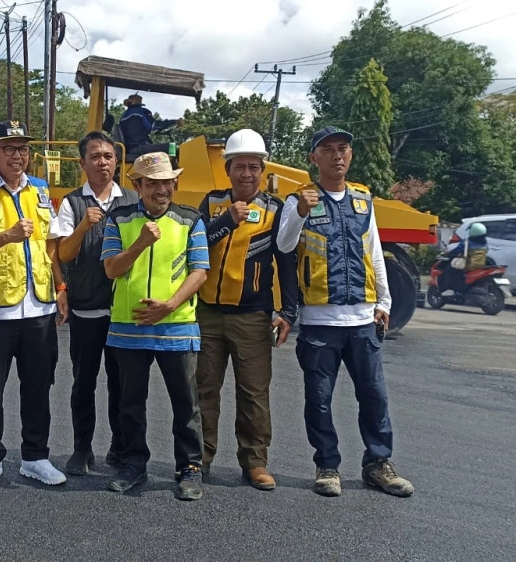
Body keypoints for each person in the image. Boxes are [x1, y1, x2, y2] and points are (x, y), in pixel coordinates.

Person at [275, 126, 415, 499]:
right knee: (319, 398)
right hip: (321, 321)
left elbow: (375, 253)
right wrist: (302, 211)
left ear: (350, 155)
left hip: (362, 320)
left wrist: (383, 302)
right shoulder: (298, 200)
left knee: (374, 395)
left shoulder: (362, 200)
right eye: (328, 149)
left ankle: (378, 464)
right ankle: (327, 465)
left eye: (343, 149)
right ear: (313, 158)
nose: (338, 155)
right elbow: (284, 245)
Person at [0, 120, 68, 489]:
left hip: (38, 305)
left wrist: (60, 287)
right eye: (8, 148)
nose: (17, 155)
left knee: (38, 384)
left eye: (22, 149)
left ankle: (36, 457)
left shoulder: (40, 190)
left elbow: (50, 245)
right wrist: (5, 235)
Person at [194, 129, 299, 491]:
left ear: (262, 169)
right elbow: (196, 246)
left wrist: (288, 311)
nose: (247, 174)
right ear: (228, 169)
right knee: (204, 387)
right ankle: (200, 458)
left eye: (254, 167)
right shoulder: (212, 203)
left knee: (254, 392)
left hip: (253, 315)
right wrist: (227, 221)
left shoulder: (276, 209)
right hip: (207, 312)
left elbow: (287, 260)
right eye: (240, 166)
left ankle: (255, 461)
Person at [101, 151, 209, 501]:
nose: (160, 189)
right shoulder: (118, 220)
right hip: (128, 328)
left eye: (166, 181)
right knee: (130, 401)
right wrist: (141, 242)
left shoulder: (190, 219)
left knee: (185, 402)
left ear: (175, 183)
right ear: (138, 185)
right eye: (152, 183)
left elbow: (200, 271)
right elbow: (111, 269)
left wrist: (170, 306)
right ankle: (134, 463)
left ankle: (190, 467)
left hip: (176, 325)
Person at [49, 131, 139, 475]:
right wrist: (84, 225)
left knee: (123, 386)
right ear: (82, 162)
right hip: (86, 306)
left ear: (117, 162)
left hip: (123, 309)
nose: (103, 162)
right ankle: (81, 449)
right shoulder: (72, 203)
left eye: (109, 156)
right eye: (96, 156)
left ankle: (119, 449)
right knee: (83, 382)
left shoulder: (132, 199)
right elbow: (64, 254)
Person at [117, 94, 183, 158]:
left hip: (128, 149)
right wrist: (174, 122)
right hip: (139, 147)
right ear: (139, 104)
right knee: (172, 147)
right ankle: (175, 167)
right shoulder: (141, 112)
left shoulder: (123, 117)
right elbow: (153, 126)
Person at [438, 222, 490, 295]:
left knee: (450, 269)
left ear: (473, 231)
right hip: (481, 266)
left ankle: (450, 290)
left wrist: (448, 254)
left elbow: (457, 250)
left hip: (469, 266)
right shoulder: (485, 243)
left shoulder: (467, 242)